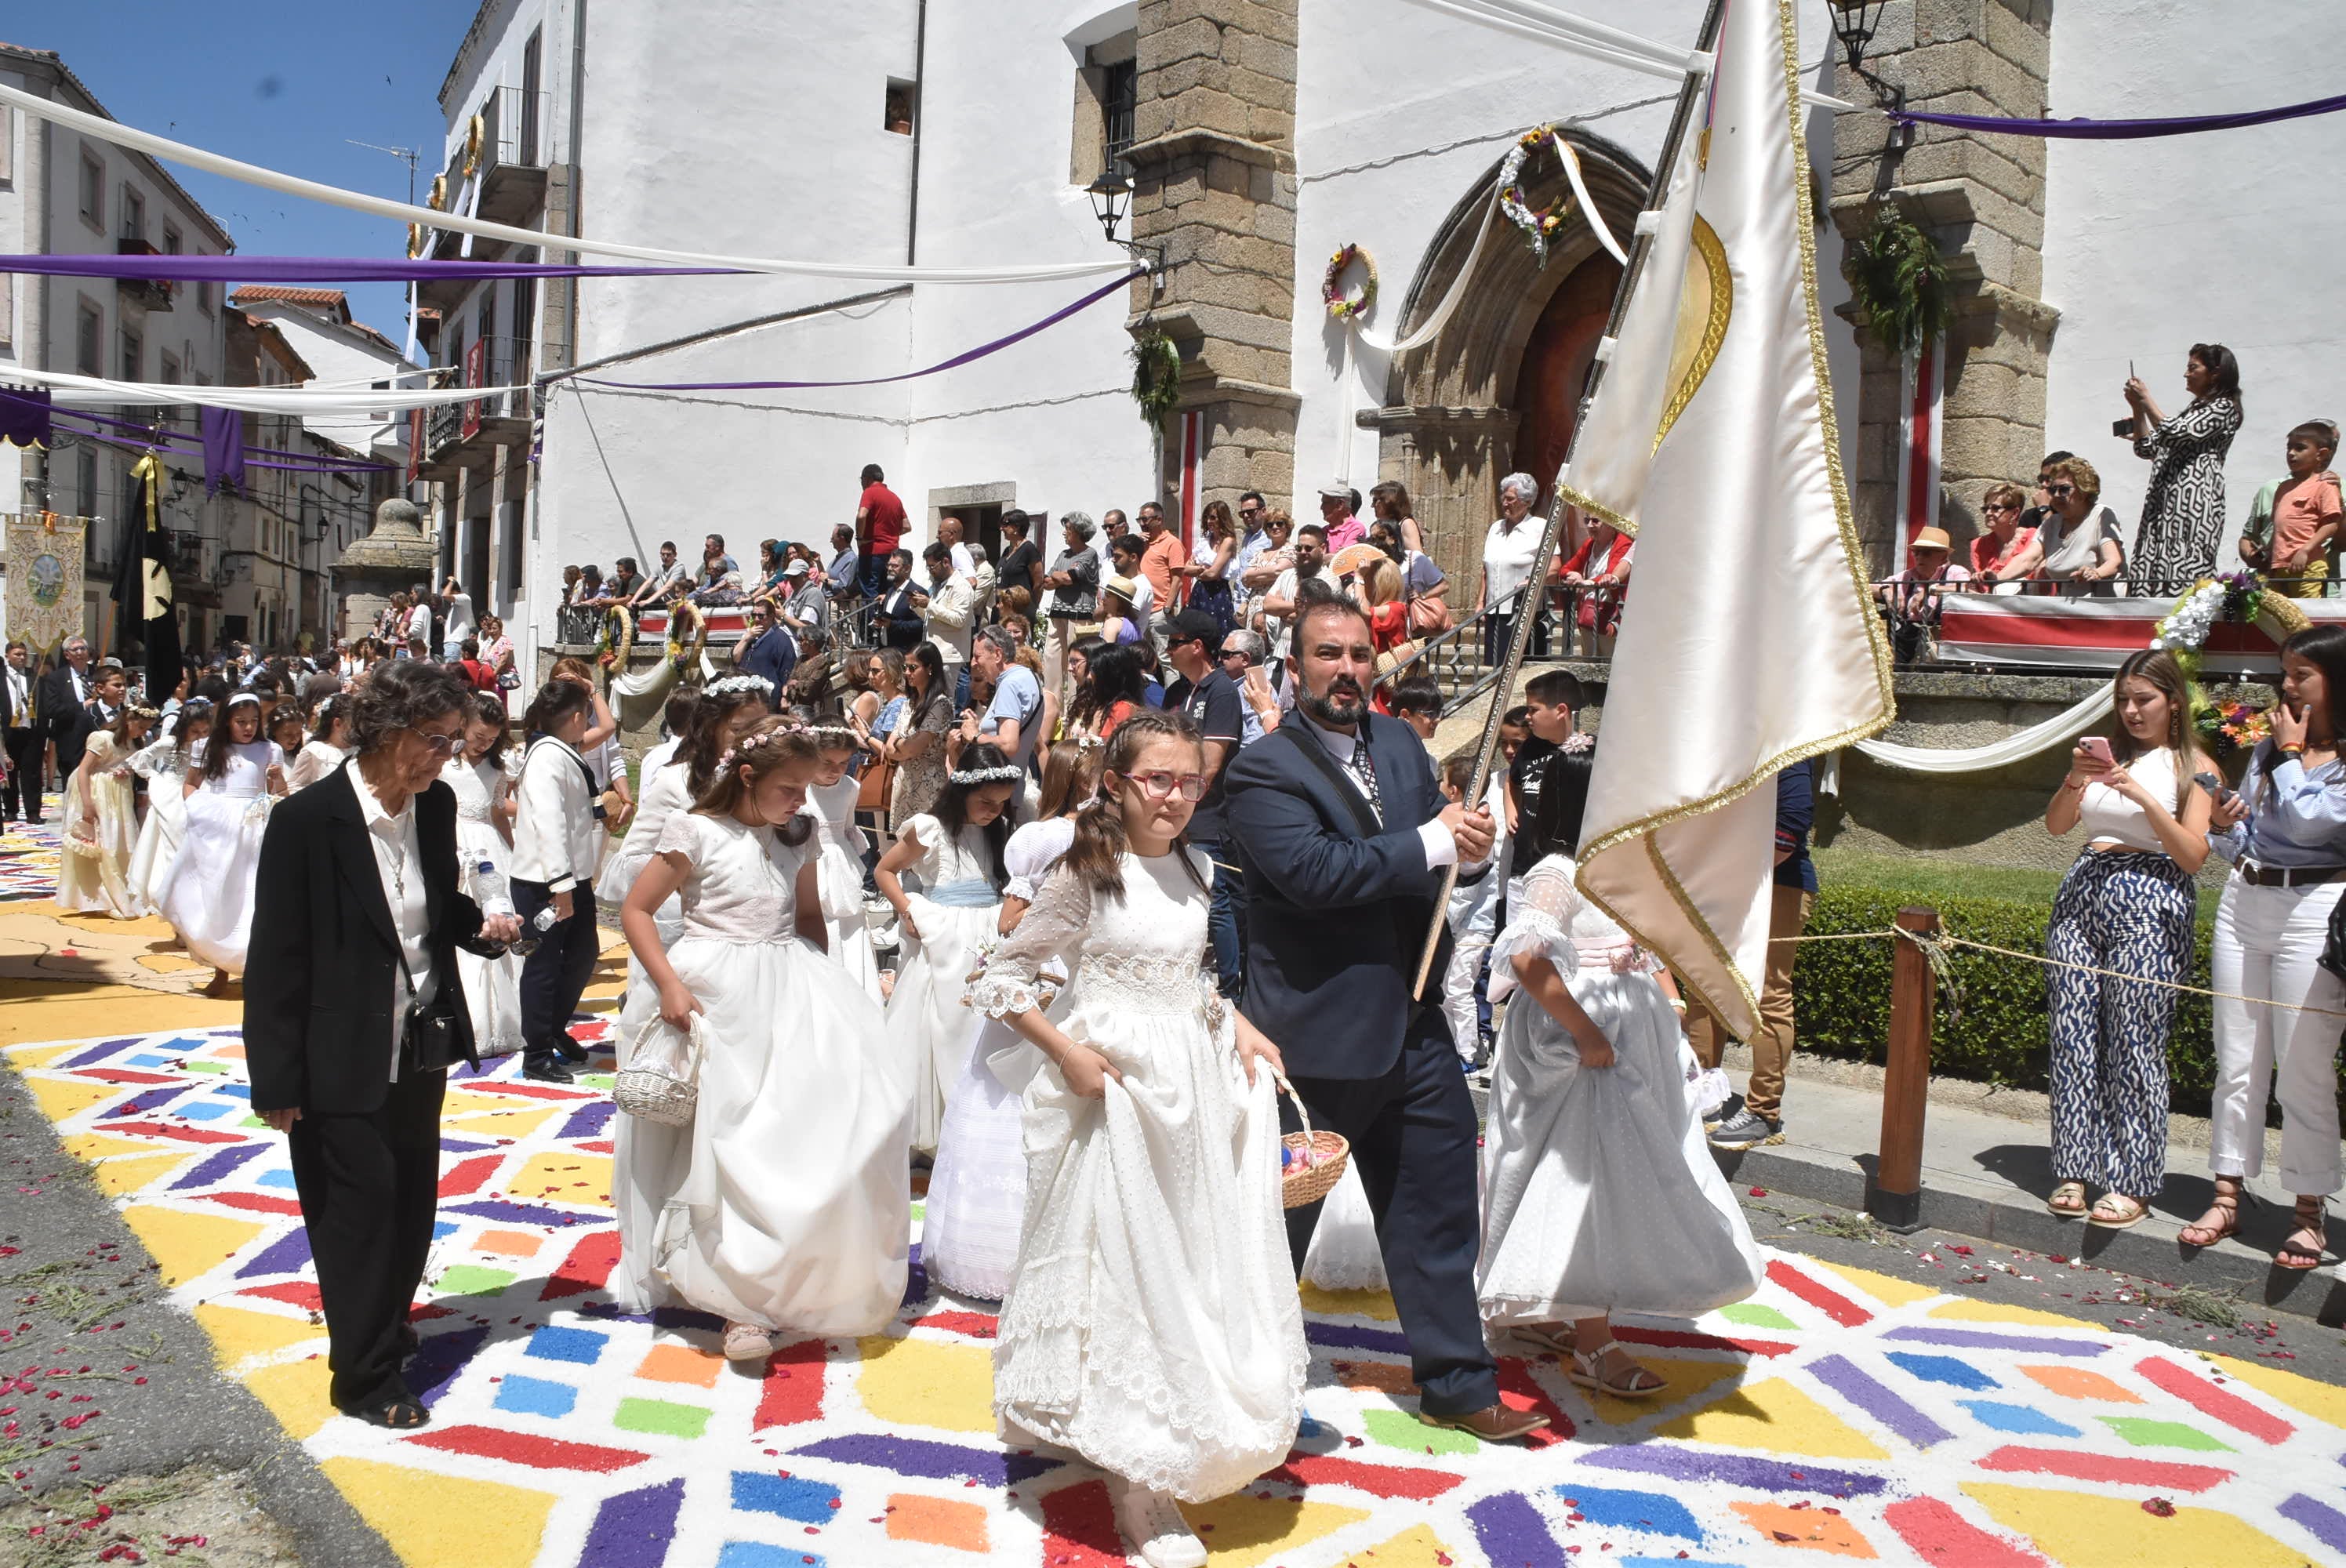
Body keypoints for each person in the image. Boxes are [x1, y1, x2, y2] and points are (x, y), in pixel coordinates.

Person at [979, 712, 1305, 1565]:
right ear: (1116, 784)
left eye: (1188, 780)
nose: (1173, 796)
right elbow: (1000, 974)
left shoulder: (1200, 866)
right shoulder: (1086, 871)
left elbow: (1191, 975)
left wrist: (1236, 1024)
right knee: (1123, 1267)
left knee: (1185, 1259)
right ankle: (1137, 1483)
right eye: (1156, 779)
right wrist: (1068, 1052)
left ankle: (1155, 1425)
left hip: (1187, 1089)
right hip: (1115, 1093)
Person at [1223, 596, 1542, 1443]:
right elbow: (1314, 873)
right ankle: (1246, 1393)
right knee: (1275, 1232)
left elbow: (1431, 868)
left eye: (1361, 654)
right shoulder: (1263, 771)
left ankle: (1458, 1382)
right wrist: (1434, 843)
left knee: (1437, 1213)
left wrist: (1466, 856)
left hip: (1416, 1026)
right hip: (1310, 1044)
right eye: (1328, 653)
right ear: (1295, 667)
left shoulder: (1402, 743)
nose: (1347, 669)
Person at [246, 660, 521, 1429]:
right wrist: (276, 1078)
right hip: (338, 1054)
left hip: (419, 1043)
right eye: (435, 739)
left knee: (410, 1202)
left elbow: (437, 911)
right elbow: (277, 958)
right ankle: (362, 1377)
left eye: (455, 741)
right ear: (386, 731)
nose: (446, 757)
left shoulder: (430, 809)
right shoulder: (305, 823)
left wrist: (485, 929)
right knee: (354, 1216)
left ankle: (388, 1324)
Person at [616, 719, 910, 1357]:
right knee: (731, 1143)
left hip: (789, 984)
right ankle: (737, 1301)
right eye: (789, 788)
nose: (800, 801)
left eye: (806, 788)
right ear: (746, 778)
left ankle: (798, 1268)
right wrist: (667, 983)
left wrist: (824, 993)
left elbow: (806, 917)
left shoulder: (794, 840)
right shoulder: (696, 832)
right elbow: (635, 910)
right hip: (715, 992)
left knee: (809, 1129)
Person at [1476, 740, 1763, 1391]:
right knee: (1585, 1180)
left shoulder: (1620, 867)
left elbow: (1640, 946)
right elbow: (1525, 958)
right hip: (1580, 1043)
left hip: (1627, 1033)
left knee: (1626, 1170)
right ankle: (1593, 1338)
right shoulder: (1558, 869)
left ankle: (1562, 1310)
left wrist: (1666, 1003)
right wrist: (1584, 1034)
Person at [921, 737, 1102, 1302]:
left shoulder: (1065, 838)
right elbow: (1013, 918)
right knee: (1019, 1093)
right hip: (1049, 980)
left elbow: (1010, 920)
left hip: (1073, 980)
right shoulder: (1051, 839)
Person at [2189, 625, 2346, 1268]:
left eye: (2300, 676)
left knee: (2301, 1067)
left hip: (2317, 905)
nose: (2286, 686)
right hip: (2245, 899)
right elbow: (2248, 832)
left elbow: (2313, 823)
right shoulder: (2268, 752)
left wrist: (2287, 756)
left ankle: (2309, 1211)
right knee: (2238, 1058)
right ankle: (2227, 1193)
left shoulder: (2304, 754)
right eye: (2284, 673)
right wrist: (2225, 819)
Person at [2039, 652, 2213, 1229]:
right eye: (2124, 700)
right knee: (2072, 1033)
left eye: (2145, 700)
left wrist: (2142, 798)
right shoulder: (2104, 759)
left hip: (2152, 892)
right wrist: (2076, 779)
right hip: (2084, 887)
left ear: (2174, 703)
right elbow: (2057, 827)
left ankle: (2133, 1179)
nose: (2132, 711)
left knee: (2135, 1041)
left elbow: (2192, 857)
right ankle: (2074, 1166)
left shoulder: (2195, 768)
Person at [877, 742, 1017, 1152]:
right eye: (985, 801)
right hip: (945, 931)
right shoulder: (931, 829)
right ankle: (937, 1124)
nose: (993, 810)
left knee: (983, 1022)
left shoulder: (997, 833)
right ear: (961, 791)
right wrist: (906, 908)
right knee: (941, 1020)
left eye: (1001, 804)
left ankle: (982, 1114)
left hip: (987, 931)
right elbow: (885, 870)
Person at [1695, 760, 1821, 1152]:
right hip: (1717, 879)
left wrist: (1737, 871)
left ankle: (1763, 1112)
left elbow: (1794, 817)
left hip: (1777, 883)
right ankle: (1701, 1098)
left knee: (1770, 994)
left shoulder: (1785, 739)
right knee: (1701, 982)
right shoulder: (1721, 734)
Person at [508, 680, 607, 1083]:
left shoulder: (562, 751)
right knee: (544, 966)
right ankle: (536, 1054)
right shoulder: (547, 757)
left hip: (572, 876)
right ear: (577, 717)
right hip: (545, 881)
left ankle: (551, 1026)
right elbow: (549, 823)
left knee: (583, 954)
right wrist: (561, 886)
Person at [163, 691, 288, 995]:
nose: (247, 728)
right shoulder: (208, 748)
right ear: (227, 722)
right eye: (240, 722)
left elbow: (280, 795)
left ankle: (252, 967)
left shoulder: (269, 750)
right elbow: (191, 783)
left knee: (251, 899)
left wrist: (277, 779)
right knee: (218, 895)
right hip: (218, 833)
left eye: (253, 722)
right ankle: (219, 968)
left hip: (254, 832)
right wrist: (200, 811)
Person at [1162, 608, 1247, 1000]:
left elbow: (1211, 765)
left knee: (1216, 901)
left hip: (1207, 815)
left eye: (1174, 642)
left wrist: (1180, 804)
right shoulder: (1177, 692)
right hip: (1172, 810)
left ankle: (1231, 989)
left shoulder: (1222, 691)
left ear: (1197, 647)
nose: (1167, 649)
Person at [444, 692, 526, 1062]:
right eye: (479, 735)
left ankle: (500, 1018)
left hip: (488, 850)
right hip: (451, 842)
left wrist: (514, 852)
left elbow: (497, 814)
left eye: (492, 739)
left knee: (494, 923)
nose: (484, 744)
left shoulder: (496, 768)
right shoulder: (446, 760)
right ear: (464, 725)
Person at [2125, 343, 2244, 593]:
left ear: (2215, 373)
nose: (2186, 374)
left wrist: (2146, 398)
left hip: (2192, 503)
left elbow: (2175, 433)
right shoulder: (2191, 411)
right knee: (2154, 559)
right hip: (2163, 505)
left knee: (2185, 563)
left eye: (2193, 368)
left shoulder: (2223, 408)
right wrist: (2138, 408)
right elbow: (2146, 447)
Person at [1437, 751, 1508, 1071]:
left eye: (1444, 781)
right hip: (1462, 926)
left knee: (1458, 990)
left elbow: (1465, 889)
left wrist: (1444, 929)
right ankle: (1456, 1045)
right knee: (1449, 989)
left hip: (1471, 928)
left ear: (1453, 791)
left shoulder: (1473, 830)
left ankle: (1468, 1052)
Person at [57, 697, 156, 918]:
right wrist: (87, 803)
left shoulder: (134, 743)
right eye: (140, 727)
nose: (142, 732)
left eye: (146, 729)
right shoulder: (103, 738)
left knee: (120, 841)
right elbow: (83, 770)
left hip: (119, 796)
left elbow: (131, 766)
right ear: (128, 719)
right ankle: (103, 896)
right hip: (97, 793)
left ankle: (124, 890)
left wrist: (127, 773)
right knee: (102, 844)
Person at [805, 721, 881, 1001]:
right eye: (826, 762)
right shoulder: (800, 788)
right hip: (810, 863)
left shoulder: (850, 787)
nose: (835, 770)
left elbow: (848, 826)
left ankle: (857, 989)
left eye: (843, 763)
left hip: (840, 862)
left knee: (848, 923)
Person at [128, 699, 209, 916]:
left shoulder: (208, 746)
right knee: (168, 843)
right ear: (184, 728)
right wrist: (155, 778)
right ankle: (165, 891)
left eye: (205, 731)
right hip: (171, 793)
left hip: (198, 792)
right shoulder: (170, 743)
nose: (200, 736)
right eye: (195, 731)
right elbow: (140, 759)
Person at [2246, 420, 2342, 599]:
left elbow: (2331, 525)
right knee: (2278, 617)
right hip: (2278, 564)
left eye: (2300, 449)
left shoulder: (2325, 485)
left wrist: (2305, 550)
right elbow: (2279, 527)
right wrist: (2267, 555)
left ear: (2321, 454)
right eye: (2289, 448)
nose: (2291, 453)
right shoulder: (2282, 488)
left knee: (2305, 616)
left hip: (2307, 564)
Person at [2022, 456, 2126, 596]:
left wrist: (2095, 573)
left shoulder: (2101, 515)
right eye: (2053, 491)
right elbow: (2028, 560)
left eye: (2064, 490)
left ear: (2083, 491)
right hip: (2068, 609)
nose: (2057, 495)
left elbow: (2114, 561)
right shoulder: (2052, 523)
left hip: (2102, 608)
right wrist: (1996, 578)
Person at [1872, 526, 1972, 666]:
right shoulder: (1907, 576)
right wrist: (1886, 591)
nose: (1919, 557)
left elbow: (1963, 589)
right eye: (1916, 552)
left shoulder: (1955, 572)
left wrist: (1930, 590)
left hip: (1942, 640)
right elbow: (1869, 588)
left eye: (1926, 553)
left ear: (1943, 556)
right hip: (1907, 640)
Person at [1479, 474, 1547, 663]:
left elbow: (1554, 568)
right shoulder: (1496, 528)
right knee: (1495, 667)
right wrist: (1480, 603)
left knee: (1518, 669)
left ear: (1527, 502)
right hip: (1495, 610)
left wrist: (1532, 580)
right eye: (1503, 497)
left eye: (1510, 499)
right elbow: (1486, 568)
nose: (1504, 503)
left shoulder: (1539, 527)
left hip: (1524, 612)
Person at [888, 641, 957, 825]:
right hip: (904, 782)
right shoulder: (908, 703)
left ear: (930, 669)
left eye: (913, 668)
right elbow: (890, 745)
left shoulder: (940, 704)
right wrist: (901, 746)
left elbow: (914, 748)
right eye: (905, 668)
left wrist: (900, 746)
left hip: (929, 784)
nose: (907, 673)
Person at [970, 626, 1043, 777]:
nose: (974, 663)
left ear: (997, 654)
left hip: (1002, 791)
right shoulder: (1028, 677)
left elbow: (1008, 745)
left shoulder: (1009, 685)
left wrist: (974, 735)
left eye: (977, 656)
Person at [1043, 510, 1102, 694]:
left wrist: (1060, 576)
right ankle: (1052, 704)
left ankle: (1075, 703)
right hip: (1058, 613)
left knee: (1076, 661)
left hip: (1079, 615)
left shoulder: (1089, 554)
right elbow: (1047, 583)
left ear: (1078, 531)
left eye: (1068, 528)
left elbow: (1071, 578)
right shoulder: (1064, 555)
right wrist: (1060, 576)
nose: (1064, 533)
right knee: (1052, 658)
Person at [1555, 515, 1632, 655]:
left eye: (1595, 521)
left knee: (1608, 663)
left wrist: (1586, 583)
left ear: (1610, 524)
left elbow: (1611, 575)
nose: (1590, 525)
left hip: (1610, 614)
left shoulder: (1623, 543)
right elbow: (1565, 570)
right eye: (1586, 521)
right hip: (1588, 613)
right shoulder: (1590, 544)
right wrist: (1573, 575)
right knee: (1589, 662)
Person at [1260, 524, 1332, 659]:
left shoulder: (1329, 579)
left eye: (1308, 548)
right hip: (1281, 652)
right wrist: (1301, 606)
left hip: (1309, 655)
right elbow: (1267, 605)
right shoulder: (1286, 575)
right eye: (1299, 548)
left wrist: (1281, 610)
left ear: (1322, 549)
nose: (1303, 552)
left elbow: (1318, 614)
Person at [38, 636, 99, 786]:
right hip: (71, 739)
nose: (79, 652)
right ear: (67, 655)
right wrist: (82, 706)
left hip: (98, 736)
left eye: (82, 648)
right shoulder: (57, 678)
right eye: (75, 649)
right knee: (73, 785)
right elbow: (51, 709)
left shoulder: (99, 674)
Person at [1136, 501, 1188, 651]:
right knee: (1138, 657)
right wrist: (1134, 542)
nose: (1142, 524)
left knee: (1166, 656)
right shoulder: (1141, 543)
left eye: (1145, 519)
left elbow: (1178, 579)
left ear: (1159, 520)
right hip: (1140, 610)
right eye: (1139, 520)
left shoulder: (1172, 543)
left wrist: (1166, 608)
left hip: (1159, 611)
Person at [1967, 485, 2037, 591]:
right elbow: (1976, 589)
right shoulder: (1978, 545)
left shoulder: (2032, 538)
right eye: (1985, 509)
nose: (1988, 513)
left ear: (2014, 513)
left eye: (1995, 508)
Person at [855, 463, 908, 599]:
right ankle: (885, 620)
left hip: (872, 551)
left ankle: (871, 620)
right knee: (888, 592)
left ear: (867, 478)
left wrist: (860, 539)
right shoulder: (895, 498)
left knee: (869, 592)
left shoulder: (869, 492)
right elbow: (907, 526)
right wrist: (890, 534)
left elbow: (862, 515)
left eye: (861, 479)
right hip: (892, 553)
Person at [3, 639, 40, 823]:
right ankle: (10, 809)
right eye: (17, 654)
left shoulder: (33, 676)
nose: (22, 658)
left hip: (29, 730)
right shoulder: (2, 676)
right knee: (9, 771)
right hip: (8, 731)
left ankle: (33, 811)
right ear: (7, 656)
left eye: (24, 655)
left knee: (31, 772)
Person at [286, 698, 354, 792]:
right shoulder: (315, 751)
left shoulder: (359, 751)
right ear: (337, 723)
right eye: (353, 724)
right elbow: (293, 786)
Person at [735, 597, 800, 693]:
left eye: (761, 616)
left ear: (771, 616)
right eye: (754, 615)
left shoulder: (781, 639)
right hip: (748, 695)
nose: (756, 619)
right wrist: (746, 638)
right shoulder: (750, 638)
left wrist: (786, 698)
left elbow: (788, 672)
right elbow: (736, 658)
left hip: (768, 697)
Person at [996, 510, 1044, 613]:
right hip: (1002, 608)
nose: (1001, 528)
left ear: (1017, 526)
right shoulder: (1006, 551)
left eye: (1005, 525)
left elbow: (1038, 583)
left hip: (1019, 611)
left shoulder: (1029, 549)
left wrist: (1031, 605)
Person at [630, 541, 689, 608]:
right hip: (668, 605)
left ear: (675, 554)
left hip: (681, 605)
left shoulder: (679, 568)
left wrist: (648, 601)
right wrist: (633, 600)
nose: (665, 557)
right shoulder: (660, 566)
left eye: (668, 554)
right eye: (663, 554)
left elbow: (668, 587)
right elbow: (648, 583)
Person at [1316, 481, 1367, 552]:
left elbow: (1343, 558)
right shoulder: (1324, 531)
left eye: (1325, 503)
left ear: (1340, 504)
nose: (1321, 508)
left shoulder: (1356, 528)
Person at [438, 577, 476, 661]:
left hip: (455, 643)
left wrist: (452, 581)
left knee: (450, 673)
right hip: (452, 643)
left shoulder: (464, 598)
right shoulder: (455, 605)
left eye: (448, 590)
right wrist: (444, 622)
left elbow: (445, 595)